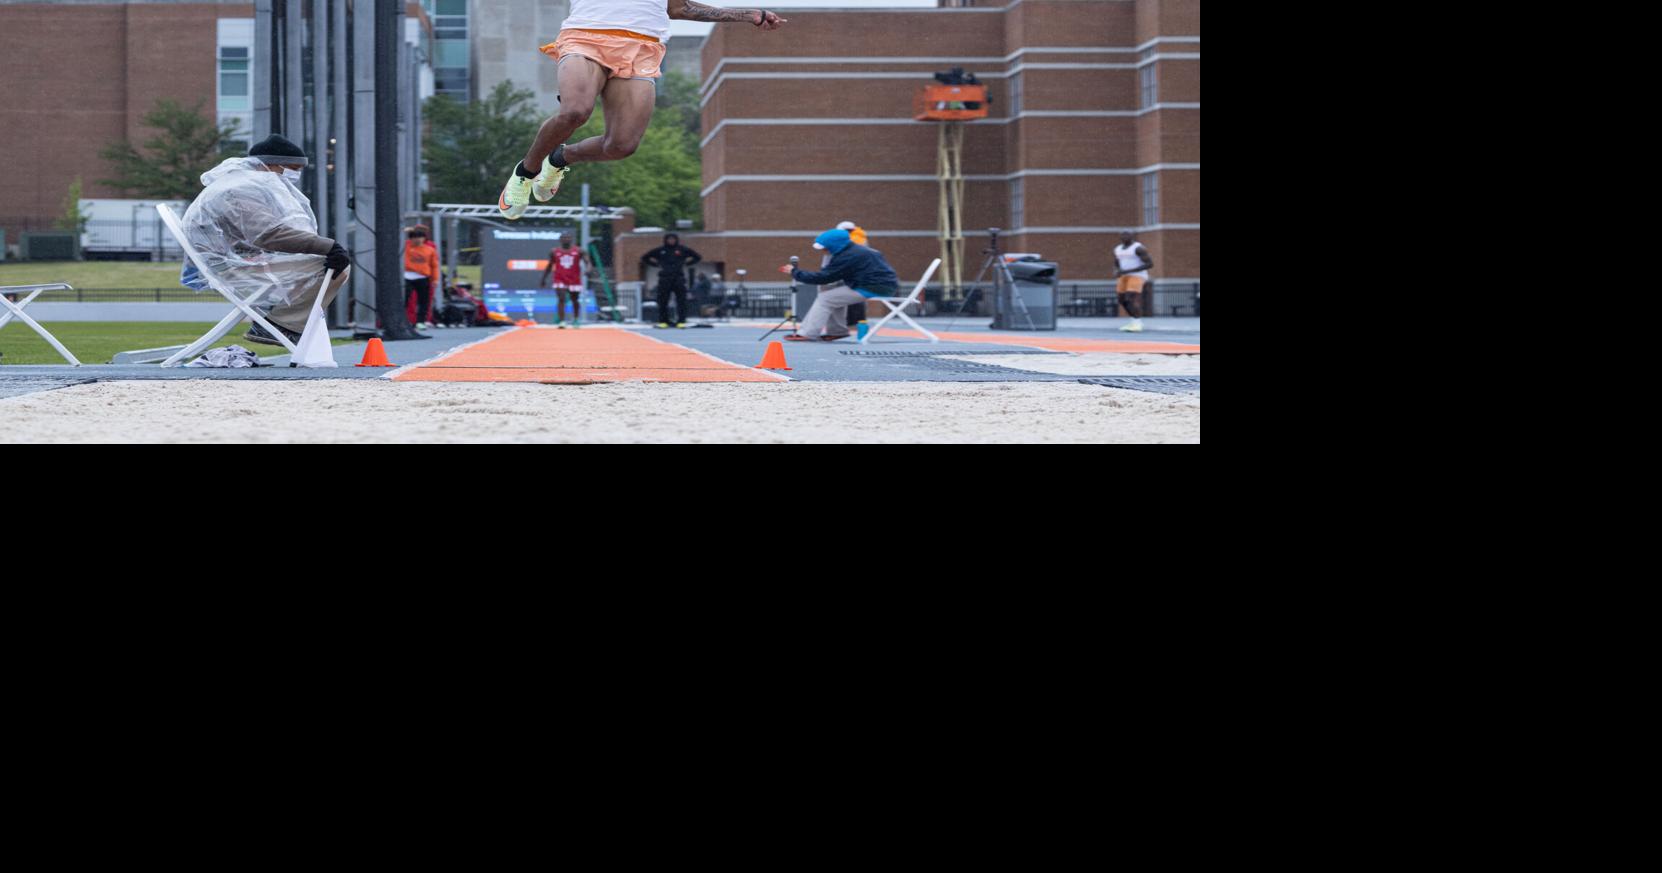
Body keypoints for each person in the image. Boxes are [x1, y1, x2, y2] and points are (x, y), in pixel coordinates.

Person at [498, 1, 788, 220]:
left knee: (622, 145)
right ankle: (526, 172)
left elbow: (679, 8)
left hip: (641, 48)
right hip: (586, 37)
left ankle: (560, 158)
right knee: (576, 111)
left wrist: (747, 15)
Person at [180, 134, 352, 348]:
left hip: (230, 262)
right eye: (293, 168)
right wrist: (328, 246)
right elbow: (269, 234)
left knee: (325, 262)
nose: (296, 175)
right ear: (271, 165)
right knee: (335, 267)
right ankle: (282, 324)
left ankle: (286, 320)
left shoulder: (240, 183)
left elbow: (261, 235)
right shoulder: (241, 190)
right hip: (229, 268)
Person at [780, 228, 899, 341]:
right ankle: (837, 332)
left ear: (834, 245)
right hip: (881, 285)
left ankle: (808, 333)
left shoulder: (847, 256)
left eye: (825, 247)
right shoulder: (857, 250)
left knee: (825, 298)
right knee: (833, 296)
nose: (823, 250)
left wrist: (794, 272)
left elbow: (824, 277)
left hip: (874, 287)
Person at [641, 233, 701, 328]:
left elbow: (697, 257)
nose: (671, 241)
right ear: (666, 240)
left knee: (681, 300)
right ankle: (664, 321)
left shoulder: (682, 249)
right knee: (663, 301)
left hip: (678, 278)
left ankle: (681, 321)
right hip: (665, 278)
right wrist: (656, 265)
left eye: (673, 239)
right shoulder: (660, 250)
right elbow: (645, 257)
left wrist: (687, 263)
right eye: (669, 239)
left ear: (676, 240)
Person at [539, 237, 591, 328]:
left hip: (574, 278)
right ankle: (562, 321)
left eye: (568, 238)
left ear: (571, 240)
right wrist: (543, 279)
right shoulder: (554, 251)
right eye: (563, 238)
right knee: (561, 298)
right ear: (560, 240)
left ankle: (575, 319)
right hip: (560, 278)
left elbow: (588, 262)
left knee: (575, 299)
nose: (566, 240)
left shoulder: (579, 251)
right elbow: (550, 265)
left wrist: (588, 269)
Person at [1113, 231, 1154, 333]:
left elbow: (1149, 264)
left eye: (1127, 235)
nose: (1125, 237)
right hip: (1124, 276)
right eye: (1123, 235)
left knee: (1130, 297)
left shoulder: (1138, 248)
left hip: (1137, 276)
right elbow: (1117, 262)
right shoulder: (1118, 249)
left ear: (1132, 237)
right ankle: (1133, 320)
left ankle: (1137, 322)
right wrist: (1117, 271)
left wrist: (1129, 271)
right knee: (1121, 300)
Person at [403, 226, 441, 332]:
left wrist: (435, 279)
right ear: (411, 238)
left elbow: (434, 265)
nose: (418, 239)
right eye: (415, 237)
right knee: (404, 300)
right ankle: (403, 320)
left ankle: (420, 322)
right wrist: (406, 230)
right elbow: (397, 238)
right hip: (407, 276)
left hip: (423, 277)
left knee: (423, 301)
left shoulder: (430, 249)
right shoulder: (405, 246)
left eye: (420, 237)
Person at [836, 220, 870, 329]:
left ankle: (850, 322)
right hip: (863, 274)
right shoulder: (862, 238)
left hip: (852, 273)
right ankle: (859, 322)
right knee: (858, 299)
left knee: (848, 297)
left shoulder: (847, 241)